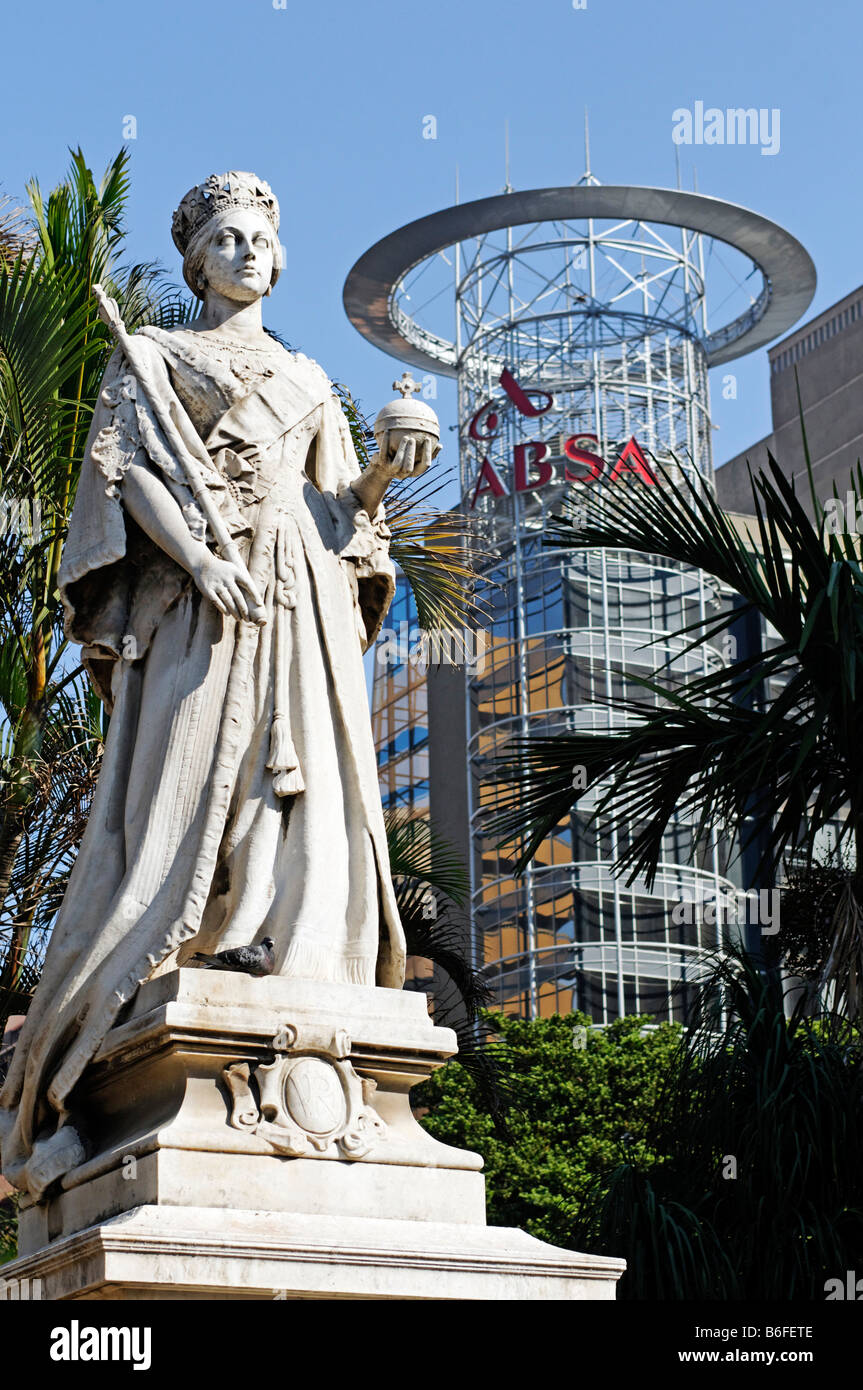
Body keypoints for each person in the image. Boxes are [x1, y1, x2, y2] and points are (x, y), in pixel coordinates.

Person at [0, 171, 430, 1199]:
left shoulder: (310, 378)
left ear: (277, 258)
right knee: (199, 772)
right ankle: (164, 963)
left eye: (257, 240)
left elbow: (339, 509)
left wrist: (381, 475)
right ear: (195, 262)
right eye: (223, 240)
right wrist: (198, 560)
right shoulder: (153, 357)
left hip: (304, 586)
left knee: (300, 766)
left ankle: (273, 937)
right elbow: (127, 473)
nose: (244, 253)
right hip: (200, 595)